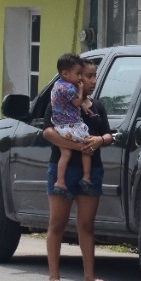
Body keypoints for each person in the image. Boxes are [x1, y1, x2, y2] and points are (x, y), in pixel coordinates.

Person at [44, 58, 115, 281]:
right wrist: (78, 147)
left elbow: (108, 135)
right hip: (62, 169)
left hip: (91, 170)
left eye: (95, 76)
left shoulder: (98, 106)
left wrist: (99, 140)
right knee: (57, 223)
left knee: (86, 225)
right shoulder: (59, 101)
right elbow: (48, 132)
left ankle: (89, 278)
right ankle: (54, 277)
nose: (93, 81)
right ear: (74, 78)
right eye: (87, 76)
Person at [50, 53, 93, 198]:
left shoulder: (57, 85)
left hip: (60, 127)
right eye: (78, 74)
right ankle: (86, 177)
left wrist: (83, 107)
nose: (80, 78)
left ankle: (60, 182)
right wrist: (80, 90)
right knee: (87, 147)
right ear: (65, 73)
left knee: (65, 153)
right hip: (73, 126)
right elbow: (76, 102)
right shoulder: (69, 88)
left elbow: (73, 106)